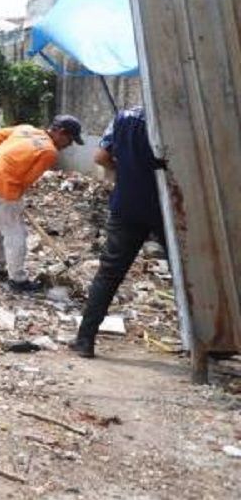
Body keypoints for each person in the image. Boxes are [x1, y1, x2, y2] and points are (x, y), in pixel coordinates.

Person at [70, 107, 166, 358]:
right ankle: (209, 342)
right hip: (169, 207)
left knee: (109, 274)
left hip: (127, 205)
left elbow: (101, 156)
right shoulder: (177, 115)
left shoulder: (124, 117)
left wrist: (124, 174)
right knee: (190, 275)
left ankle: (85, 340)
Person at [0, 115, 83, 294]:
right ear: (60, 133)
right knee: (15, 232)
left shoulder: (26, 129)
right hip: (3, 186)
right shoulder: (49, 152)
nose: (69, 144)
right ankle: (17, 280)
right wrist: (16, 201)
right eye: (70, 139)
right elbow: (26, 180)